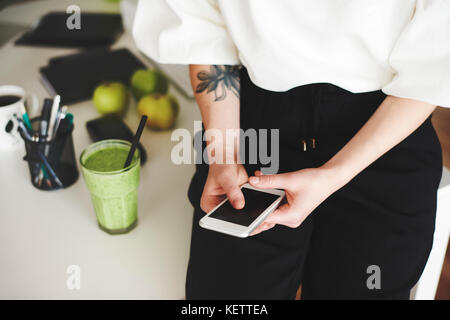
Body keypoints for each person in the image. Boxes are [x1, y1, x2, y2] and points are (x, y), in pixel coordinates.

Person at [133, 0, 449, 299]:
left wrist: (333, 175)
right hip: (250, 122)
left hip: (383, 133)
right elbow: (202, 27)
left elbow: (435, 60)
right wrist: (224, 155)